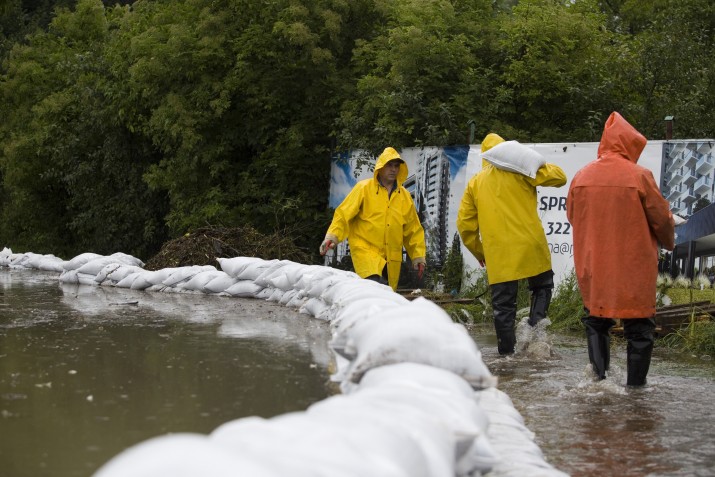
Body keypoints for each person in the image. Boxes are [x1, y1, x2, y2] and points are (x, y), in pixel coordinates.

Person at [567, 111, 675, 386]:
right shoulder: (640, 176)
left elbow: (572, 215)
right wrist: (669, 240)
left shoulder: (581, 176)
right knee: (639, 327)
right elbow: (661, 219)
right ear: (629, 145)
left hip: (594, 260)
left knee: (596, 318)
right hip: (632, 262)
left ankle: (600, 380)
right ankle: (636, 390)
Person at [457, 133, 567, 355]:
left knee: (503, 310)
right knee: (543, 286)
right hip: (530, 246)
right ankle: (535, 332)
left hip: (499, 254)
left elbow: (465, 225)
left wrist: (481, 252)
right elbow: (560, 177)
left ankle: (506, 359)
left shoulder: (475, 183)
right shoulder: (522, 170)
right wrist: (532, 161)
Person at [320, 147, 426, 291]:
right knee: (375, 287)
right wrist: (332, 236)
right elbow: (344, 214)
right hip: (365, 251)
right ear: (380, 167)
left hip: (391, 258)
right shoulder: (364, 188)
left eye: (396, 166)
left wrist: (418, 257)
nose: (393, 169)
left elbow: (413, 229)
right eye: (389, 165)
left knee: (384, 298)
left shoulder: (405, 196)